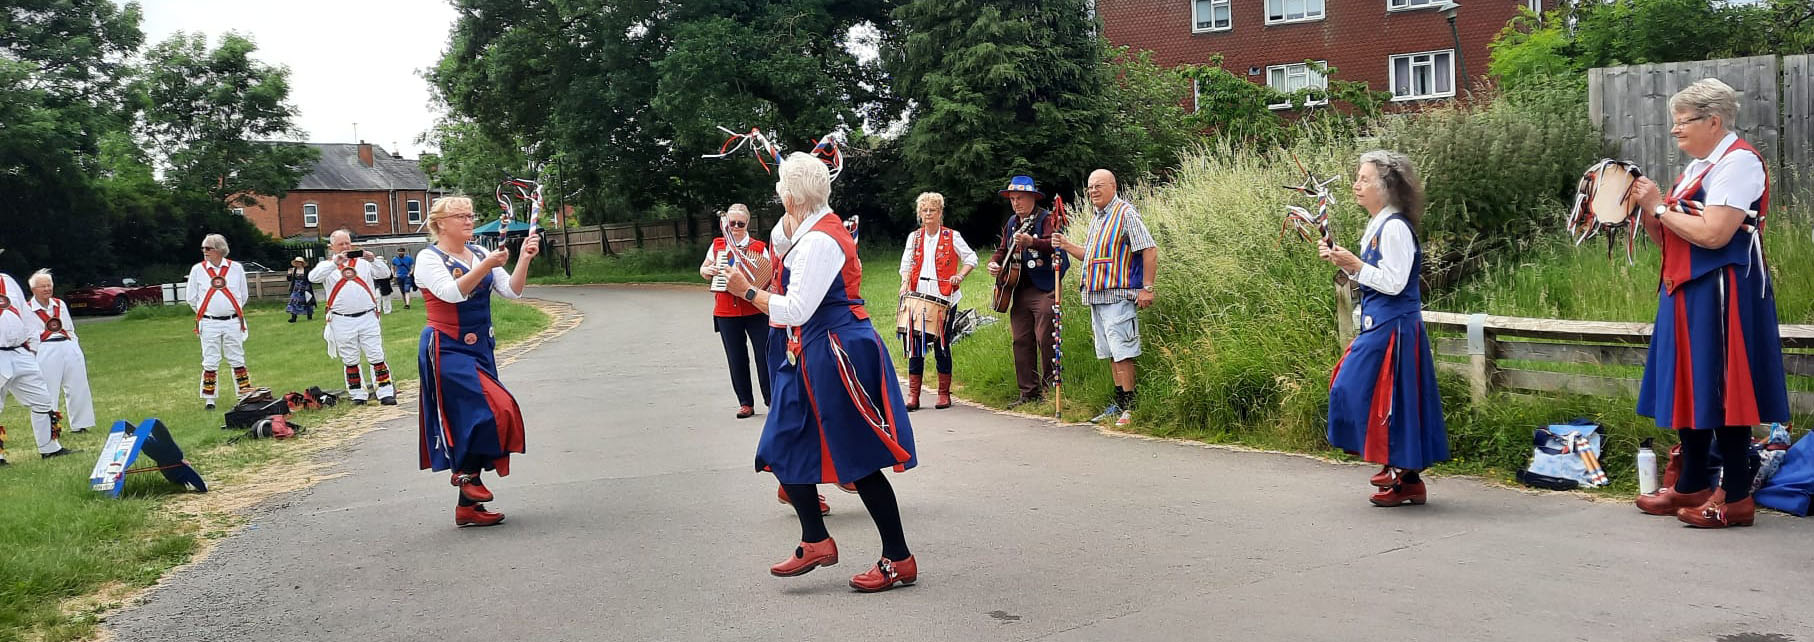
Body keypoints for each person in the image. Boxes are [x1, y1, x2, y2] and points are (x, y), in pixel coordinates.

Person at [725, 152, 919, 592]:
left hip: (834, 350)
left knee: (859, 456)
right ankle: (815, 538)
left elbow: (796, 307)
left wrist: (748, 290)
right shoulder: (810, 226)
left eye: (782, 197)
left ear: (792, 199)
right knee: (780, 442)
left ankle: (898, 558)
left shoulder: (820, 241)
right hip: (809, 349)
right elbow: (780, 236)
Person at [1627, 78, 1789, 529]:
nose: (1676, 131)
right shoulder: (1699, 168)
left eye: (1683, 122)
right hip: (1686, 285)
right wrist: (1646, 207)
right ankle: (1692, 482)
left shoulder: (1738, 164)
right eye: (1674, 123)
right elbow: (1671, 235)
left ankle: (1735, 494)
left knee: (1720, 386)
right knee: (1691, 384)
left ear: (1713, 121)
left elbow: (1716, 234)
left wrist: (1661, 208)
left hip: (1722, 289)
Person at [1318, 151, 1449, 507]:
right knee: (1382, 399)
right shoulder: (1378, 225)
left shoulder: (1394, 228)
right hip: (1382, 324)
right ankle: (1404, 478)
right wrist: (1344, 260)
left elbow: (1394, 283)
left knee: (1372, 395)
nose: (1355, 185)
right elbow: (1372, 276)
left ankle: (1401, 476)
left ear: (1387, 186)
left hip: (1395, 327)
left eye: (1364, 179)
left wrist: (1356, 264)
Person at [416, 196, 538, 527]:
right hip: (445, 347)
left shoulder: (481, 253)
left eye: (471, 215)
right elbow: (452, 293)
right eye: (461, 217)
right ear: (440, 223)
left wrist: (524, 259)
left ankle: (466, 505)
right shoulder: (428, 258)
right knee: (494, 409)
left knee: (474, 416)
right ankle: (468, 479)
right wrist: (486, 266)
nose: (469, 221)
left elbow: (512, 292)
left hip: (481, 346)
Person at [1051, 169, 1157, 427]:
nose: (1093, 191)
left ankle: (1130, 408)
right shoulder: (1097, 218)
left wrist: (1147, 288)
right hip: (1097, 297)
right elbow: (1089, 255)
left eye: (1099, 186)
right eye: (1089, 187)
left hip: (1119, 295)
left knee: (1123, 352)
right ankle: (1119, 402)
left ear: (1113, 186)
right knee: (1111, 352)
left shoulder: (1125, 213)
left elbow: (1149, 249)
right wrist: (1065, 245)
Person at [986, 175, 1068, 405]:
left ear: (1032, 197)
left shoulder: (1046, 219)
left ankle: (1051, 391)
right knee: (1020, 339)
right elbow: (1003, 249)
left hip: (1044, 288)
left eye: (1020, 198)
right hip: (1019, 290)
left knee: (1046, 337)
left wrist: (1031, 242)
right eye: (1012, 199)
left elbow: (1055, 242)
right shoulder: (1012, 222)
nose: (1016, 203)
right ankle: (1028, 393)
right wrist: (994, 262)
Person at [897, 191, 977, 410]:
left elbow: (972, 258)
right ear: (919, 213)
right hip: (918, 298)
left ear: (941, 212)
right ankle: (914, 395)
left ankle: (943, 393)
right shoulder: (914, 237)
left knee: (942, 345)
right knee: (915, 346)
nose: (928, 213)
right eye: (925, 210)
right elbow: (905, 266)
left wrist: (959, 276)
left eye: (933, 209)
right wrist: (905, 282)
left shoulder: (952, 236)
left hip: (945, 298)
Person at [700, 203, 772, 419]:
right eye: (732, 223)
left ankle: (772, 400)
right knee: (736, 358)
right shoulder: (718, 246)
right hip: (726, 311)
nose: (736, 227)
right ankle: (745, 403)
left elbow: (769, 277)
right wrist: (708, 270)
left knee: (764, 356)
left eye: (741, 223)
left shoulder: (758, 248)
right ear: (726, 224)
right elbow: (703, 269)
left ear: (748, 223)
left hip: (755, 310)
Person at [310, 229, 396, 406]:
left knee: (376, 354)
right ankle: (358, 394)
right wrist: (335, 263)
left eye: (347, 243)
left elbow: (385, 273)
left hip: (367, 317)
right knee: (350, 358)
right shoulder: (327, 266)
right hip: (341, 319)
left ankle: (385, 392)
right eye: (341, 244)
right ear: (331, 247)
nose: (345, 247)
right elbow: (313, 277)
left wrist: (371, 258)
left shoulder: (364, 263)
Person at [0, 268, 74, 463]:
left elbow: (24, 314)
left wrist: (32, 346)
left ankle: (49, 447)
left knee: (42, 399)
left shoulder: (7, 280)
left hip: (20, 351)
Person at [25, 270, 95, 434]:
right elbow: (29, 334)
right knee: (49, 388)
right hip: (45, 347)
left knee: (78, 385)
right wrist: (36, 353)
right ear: (33, 289)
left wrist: (74, 345)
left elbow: (69, 327)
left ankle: (81, 424)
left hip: (67, 345)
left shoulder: (60, 304)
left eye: (49, 285)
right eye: (43, 286)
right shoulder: (27, 309)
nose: (47, 289)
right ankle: (52, 426)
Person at [186, 234, 251, 410]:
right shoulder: (198, 270)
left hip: (232, 321)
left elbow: (243, 295)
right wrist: (207, 313)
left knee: (237, 357)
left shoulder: (236, 269)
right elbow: (191, 298)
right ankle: (209, 399)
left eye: (208, 248)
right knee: (210, 359)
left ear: (219, 250)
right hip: (209, 322)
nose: (204, 252)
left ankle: (244, 394)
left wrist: (230, 310)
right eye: (203, 248)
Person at [286, 257, 316, 323]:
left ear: (302, 263)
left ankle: (309, 315)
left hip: (305, 288)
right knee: (294, 301)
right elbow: (289, 279)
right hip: (296, 288)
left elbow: (310, 279)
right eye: (296, 262)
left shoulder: (306, 270)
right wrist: (289, 274)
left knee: (307, 301)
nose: (298, 263)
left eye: (299, 262)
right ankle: (293, 317)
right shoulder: (294, 270)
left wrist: (307, 288)